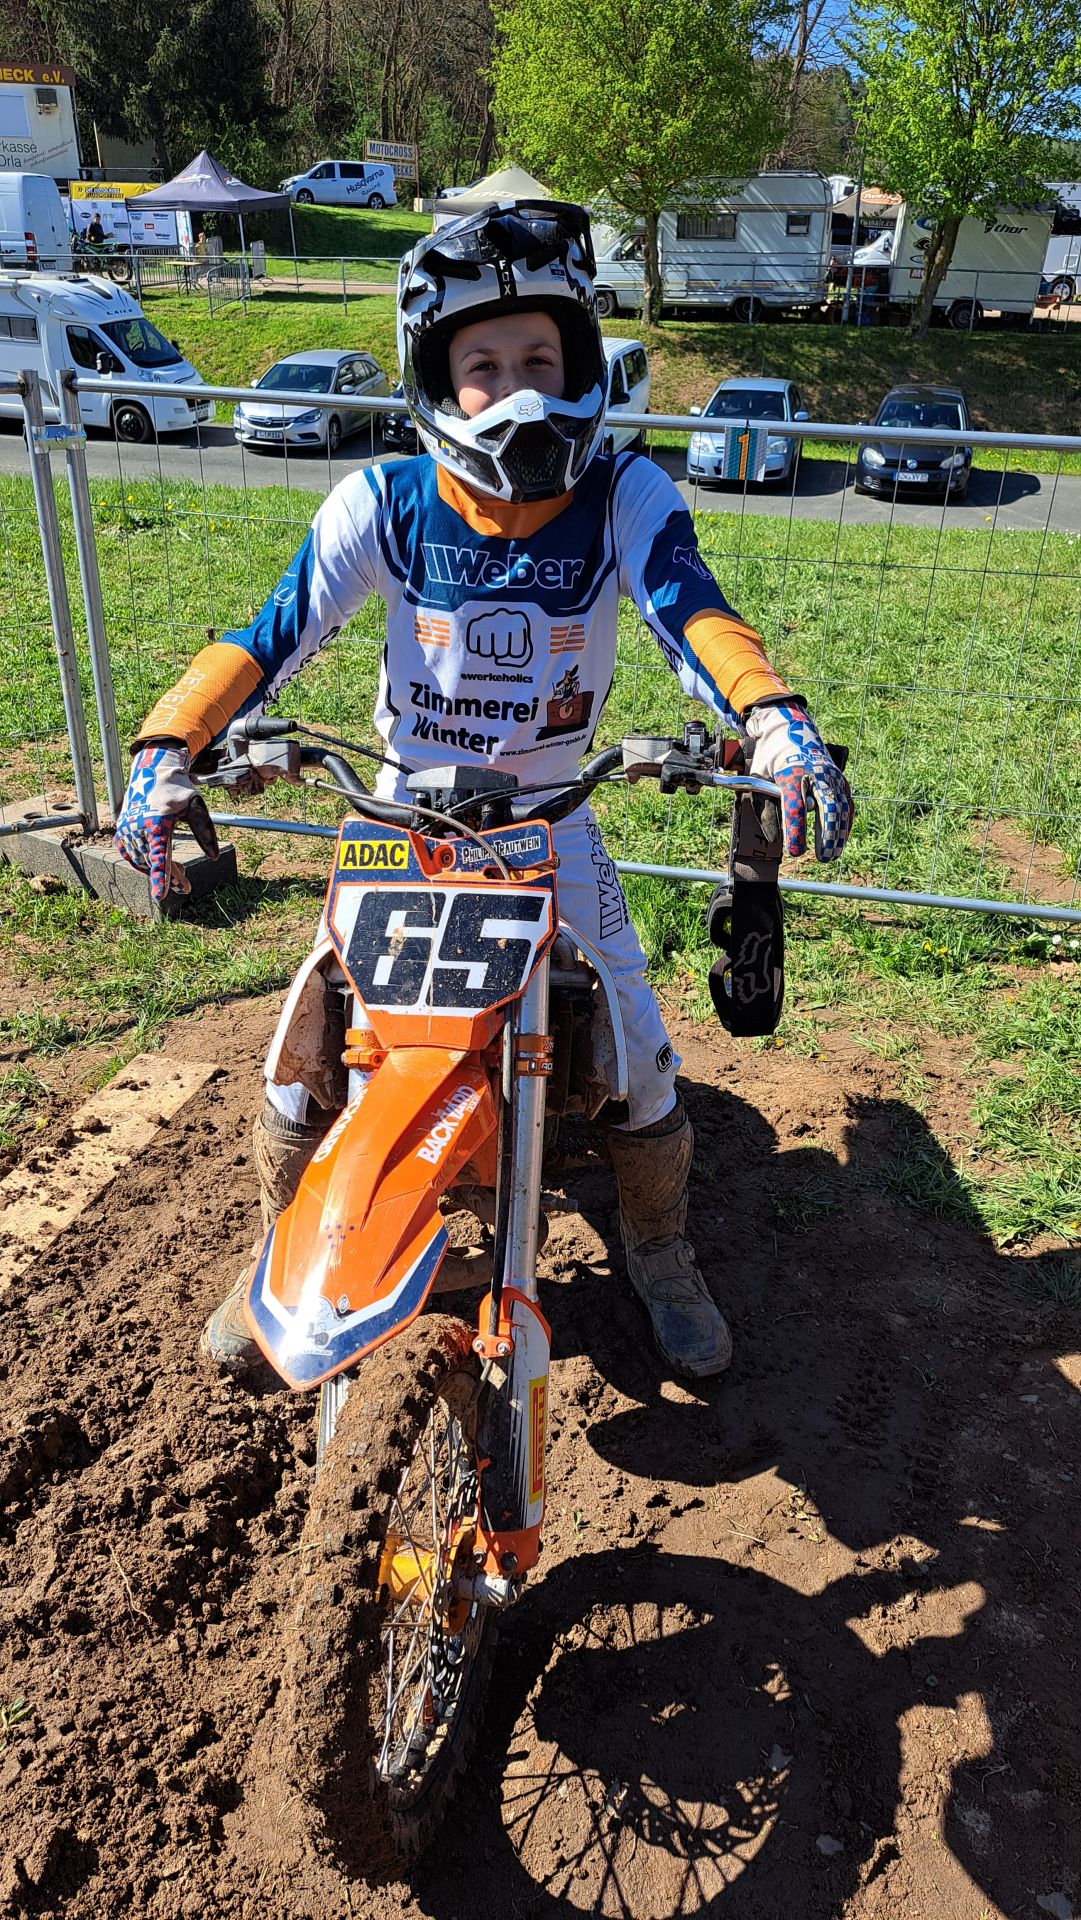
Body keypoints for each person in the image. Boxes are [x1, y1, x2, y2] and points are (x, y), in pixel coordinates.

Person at [113, 199, 853, 1384]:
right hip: (399, 818)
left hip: (555, 814)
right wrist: (170, 740)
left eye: (540, 361)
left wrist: (772, 715)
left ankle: (659, 1248)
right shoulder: (383, 500)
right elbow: (271, 633)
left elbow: (692, 613)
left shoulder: (625, 495)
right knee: (308, 1046)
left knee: (637, 1043)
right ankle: (286, 1242)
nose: (517, 393)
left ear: (583, 364)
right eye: (484, 367)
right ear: (433, 379)